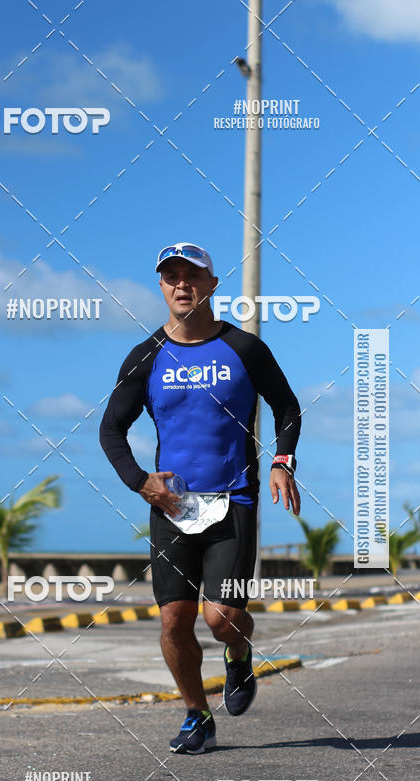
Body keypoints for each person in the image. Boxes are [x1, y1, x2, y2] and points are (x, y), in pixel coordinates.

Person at [100, 242, 301, 754]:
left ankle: (239, 651)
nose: (182, 284)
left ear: (212, 284)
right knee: (173, 619)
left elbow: (286, 406)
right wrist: (140, 481)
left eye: (192, 276)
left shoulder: (244, 348)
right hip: (172, 506)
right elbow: (111, 430)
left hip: (234, 502)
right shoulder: (145, 357)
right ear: (161, 286)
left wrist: (282, 462)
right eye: (172, 276)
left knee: (220, 618)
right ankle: (197, 716)